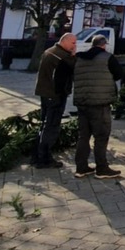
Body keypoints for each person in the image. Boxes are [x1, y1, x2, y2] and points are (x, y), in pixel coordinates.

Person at [72, 34, 124, 179]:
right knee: (101, 136)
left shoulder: (79, 58)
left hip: (82, 102)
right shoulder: (108, 57)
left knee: (83, 136)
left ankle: (81, 167)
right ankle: (102, 168)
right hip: (100, 103)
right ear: (104, 45)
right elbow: (119, 74)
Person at [32, 32, 77, 168]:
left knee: (45, 124)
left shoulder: (49, 51)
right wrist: (74, 55)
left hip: (45, 92)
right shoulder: (61, 55)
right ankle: (44, 158)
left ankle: (36, 155)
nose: (74, 46)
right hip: (55, 94)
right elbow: (73, 67)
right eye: (73, 43)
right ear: (65, 41)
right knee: (51, 126)